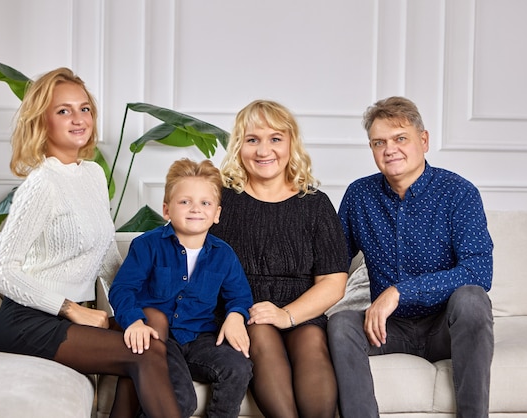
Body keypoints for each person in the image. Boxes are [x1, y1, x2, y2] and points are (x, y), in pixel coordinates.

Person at [0, 67, 182, 418]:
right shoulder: (42, 184)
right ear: (42, 121)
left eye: (84, 108)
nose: (79, 119)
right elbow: (0, 273)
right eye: (64, 111)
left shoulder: (92, 174)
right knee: (145, 351)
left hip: (75, 316)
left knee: (151, 325)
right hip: (29, 321)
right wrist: (72, 310)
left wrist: (134, 304)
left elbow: (106, 256)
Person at [327, 96, 494, 418]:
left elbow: (478, 271)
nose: (390, 149)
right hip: (388, 329)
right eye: (379, 142)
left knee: (472, 299)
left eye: (400, 138)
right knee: (342, 323)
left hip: (446, 326)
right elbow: (332, 265)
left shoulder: (458, 192)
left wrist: (401, 291)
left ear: (424, 140)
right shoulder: (360, 196)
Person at [209, 99, 349, 418]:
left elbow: (333, 282)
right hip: (242, 310)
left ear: (291, 144)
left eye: (275, 139)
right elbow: (182, 248)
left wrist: (286, 315)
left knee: (313, 342)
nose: (263, 150)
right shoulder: (220, 200)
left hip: (300, 312)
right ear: (238, 146)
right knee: (259, 329)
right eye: (252, 140)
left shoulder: (315, 204)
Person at [109, 158, 254, 418]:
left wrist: (236, 315)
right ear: (167, 209)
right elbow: (122, 289)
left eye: (205, 203)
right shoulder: (147, 246)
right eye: (185, 201)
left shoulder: (224, 254)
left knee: (238, 367)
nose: (195, 209)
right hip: (161, 340)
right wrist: (134, 321)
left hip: (201, 338)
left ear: (217, 213)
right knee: (181, 400)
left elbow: (240, 296)